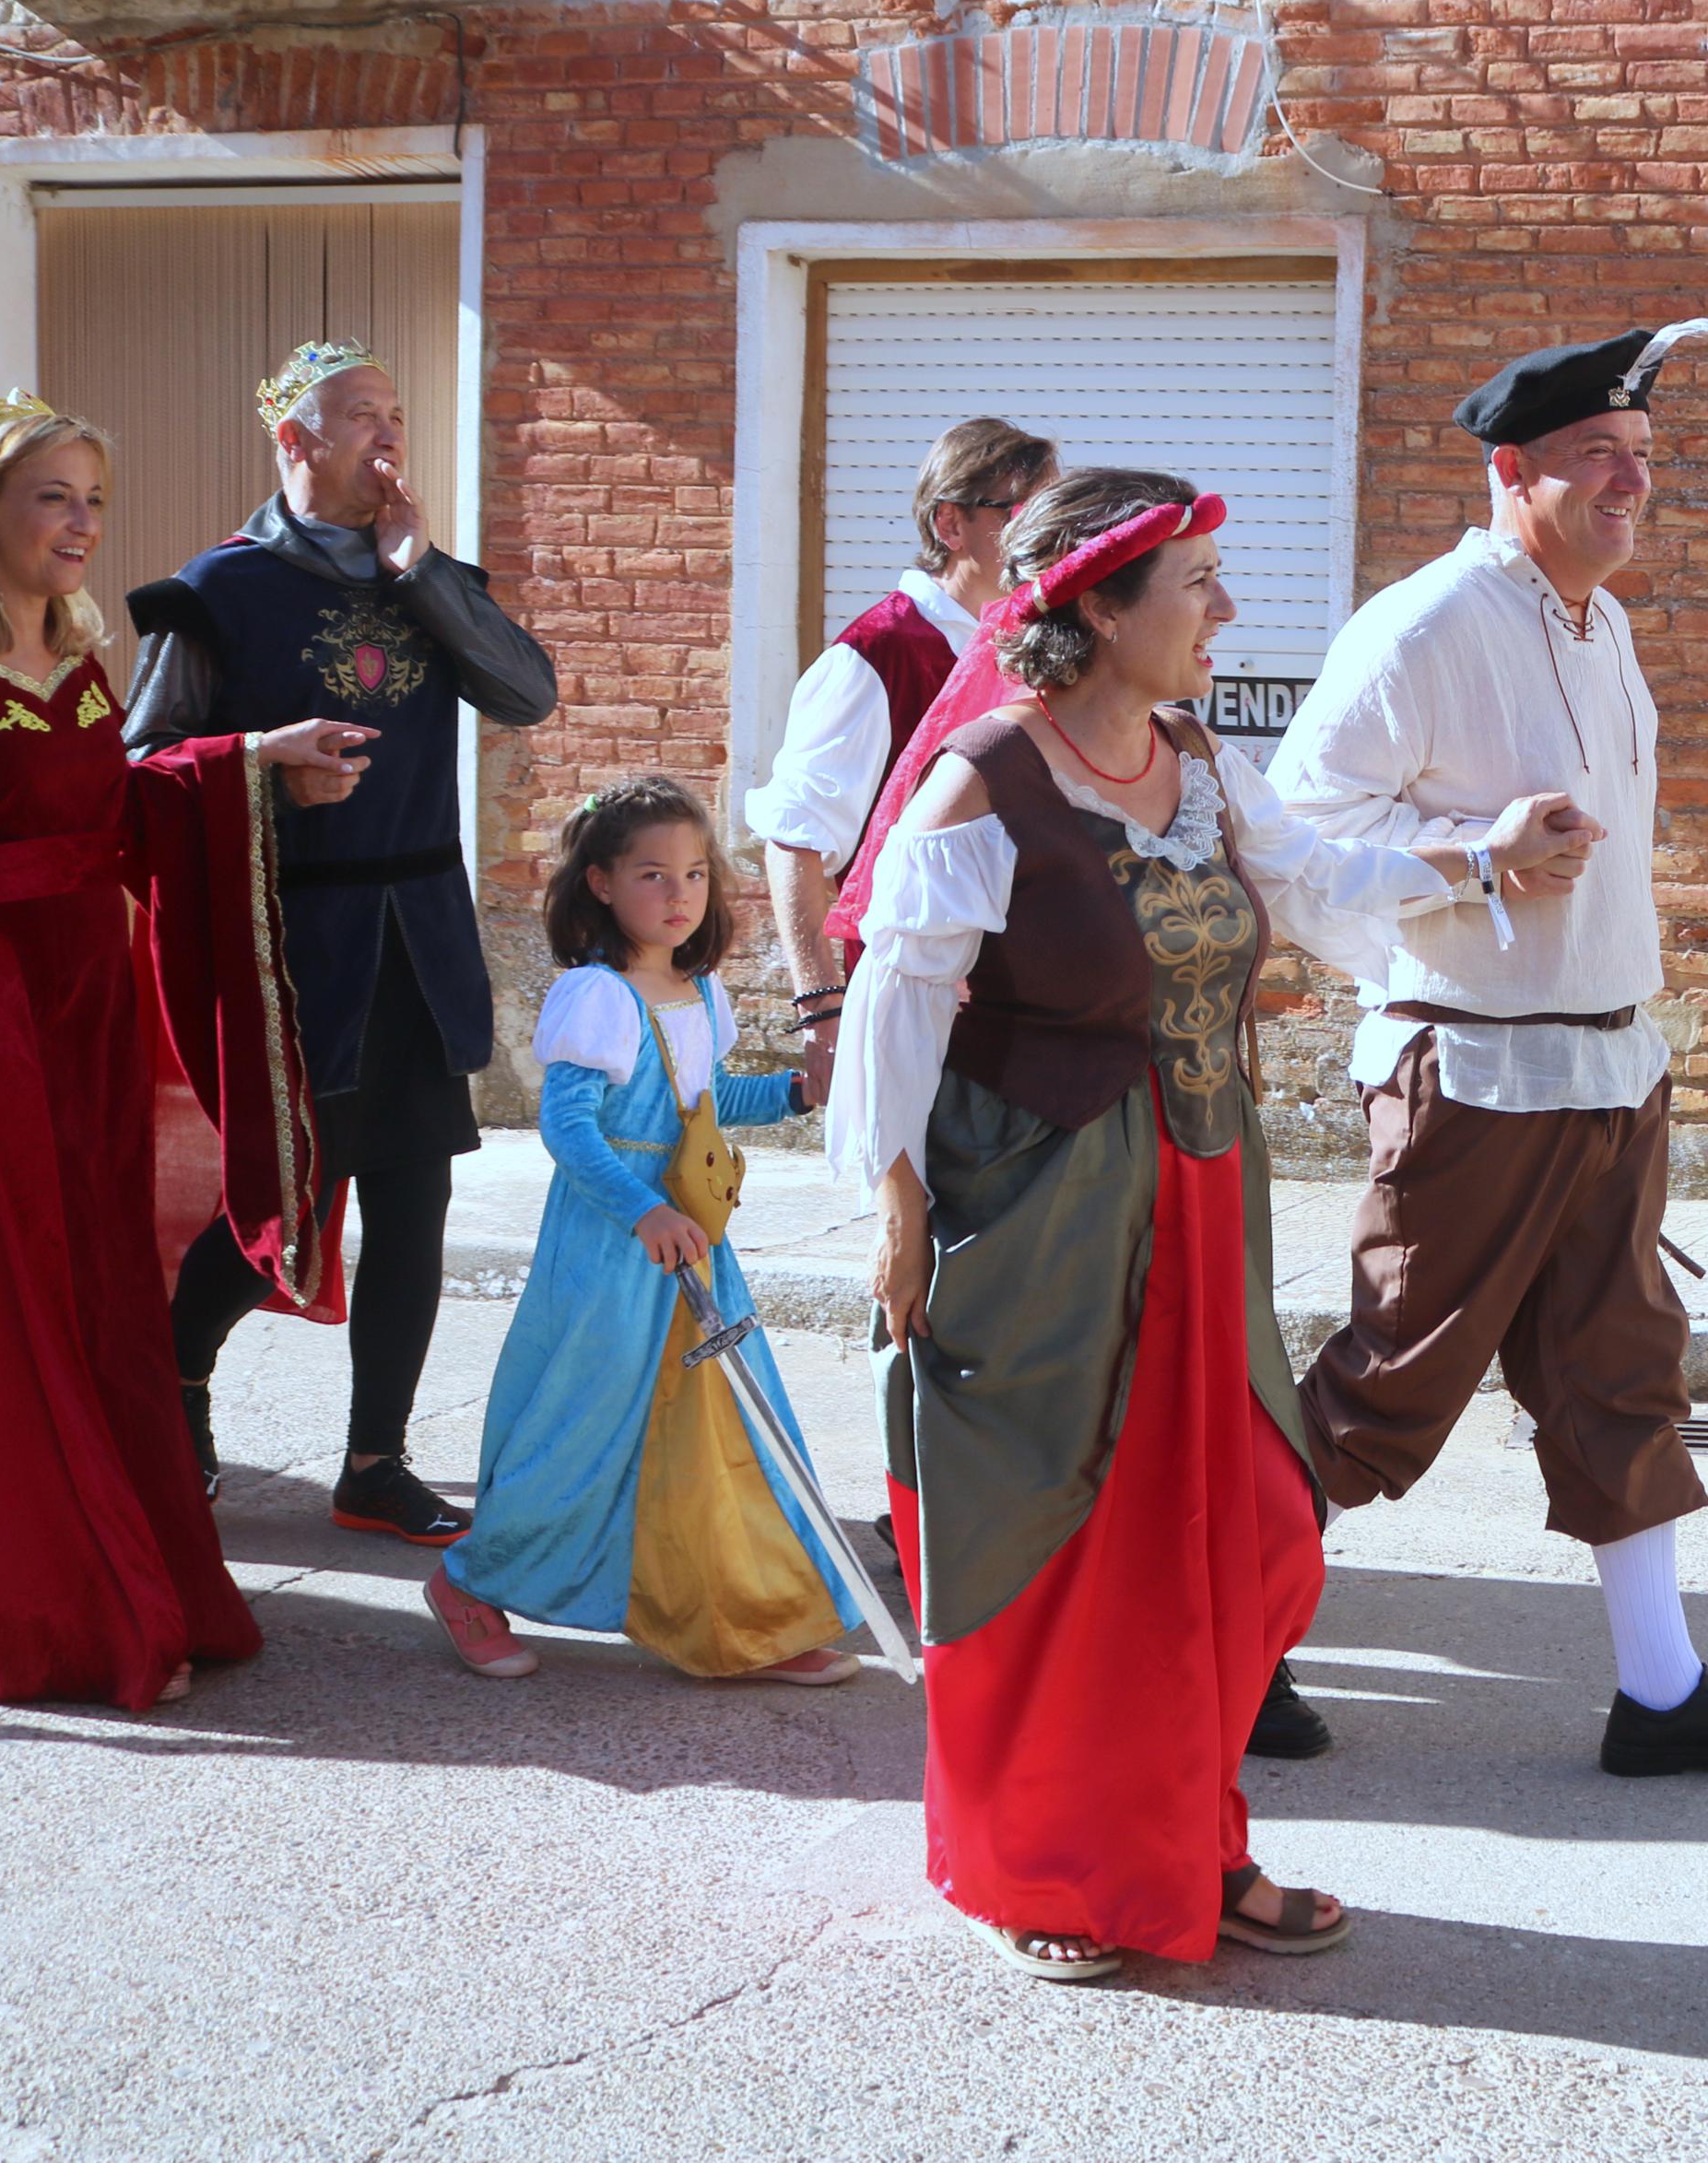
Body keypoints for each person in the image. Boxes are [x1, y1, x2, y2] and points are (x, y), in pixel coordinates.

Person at [829, 470, 1588, 1979]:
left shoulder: (1195, 756)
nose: (1225, 613)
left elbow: (1314, 882)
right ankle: (1056, 1876)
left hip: (1194, 1203)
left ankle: (1186, 1842)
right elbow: (896, 1001)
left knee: (1239, 1531)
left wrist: (1483, 855)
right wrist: (894, 1196)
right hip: (1047, 1212)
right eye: (1194, 586)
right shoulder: (984, 783)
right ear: (1100, 610)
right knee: (1066, 1558)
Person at [1271, 321, 1708, 1779]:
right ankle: (1223, 1631)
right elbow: (1287, 838)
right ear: (1509, 469)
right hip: (1472, 1077)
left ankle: (1657, 1691)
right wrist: (1474, 852)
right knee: (1388, 1380)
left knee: (1620, 1375)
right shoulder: (1419, 626)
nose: (1628, 482)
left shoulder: (1603, 620)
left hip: (1605, 1063)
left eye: (1642, 458)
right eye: (1597, 456)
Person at [0, 394, 363, 1709]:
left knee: (95, 1281)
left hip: (83, 1006)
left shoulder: (83, 657)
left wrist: (252, 760)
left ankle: (134, 1565)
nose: (81, 524)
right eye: (52, 495)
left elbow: (118, 809)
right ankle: (49, 1602)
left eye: (92, 499)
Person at [128, 340, 560, 1542]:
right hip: (293, 940)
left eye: (394, 413)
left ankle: (375, 1458)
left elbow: (527, 693)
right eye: (357, 415)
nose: (385, 435)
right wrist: (262, 767)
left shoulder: (425, 573)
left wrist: (422, 576)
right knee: (284, 1189)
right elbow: (141, 767)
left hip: (418, 936)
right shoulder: (210, 590)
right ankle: (173, 1374)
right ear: (295, 441)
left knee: (415, 1196)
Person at [424, 777, 862, 1686]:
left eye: (695, 874)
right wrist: (642, 1209)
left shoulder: (698, 993)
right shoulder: (594, 996)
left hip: (693, 1243)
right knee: (580, 1424)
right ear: (600, 883)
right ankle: (469, 1581)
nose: (678, 894)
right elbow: (570, 1128)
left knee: (724, 1427)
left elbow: (699, 1107)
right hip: (612, 1244)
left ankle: (750, 1616)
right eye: (653, 874)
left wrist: (791, 1092)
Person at [747, 415, 1054, 1072]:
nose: (1047, 537)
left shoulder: (1037, 645)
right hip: (912, 1008)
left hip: (1025, 1007)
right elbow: (796, 839)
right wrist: (823, 1008)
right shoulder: (875, 656)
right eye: (1023, 513)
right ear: (951, 525)